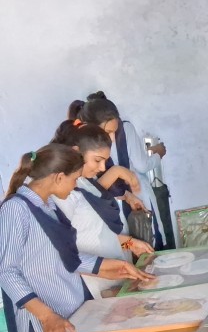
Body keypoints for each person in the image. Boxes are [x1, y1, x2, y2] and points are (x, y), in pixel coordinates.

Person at [0, 144, 153, 332]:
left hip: (75, 303)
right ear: (59, 177)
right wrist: (47, 317)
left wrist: (111, 266)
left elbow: (66, 257)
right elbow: (6, 272)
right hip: (48, 317)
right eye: (74, 179)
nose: (75, 185)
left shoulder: (49, 205)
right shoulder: (16, 209)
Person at [52, 121, 154, 297]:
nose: (102, 168)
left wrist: (131, 244)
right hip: (92, 285)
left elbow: (103, 237)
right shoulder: (63, 194)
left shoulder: (87, 185)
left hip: (115, 278)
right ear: (76, 152)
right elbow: (62, 253)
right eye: (98, 160)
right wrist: (106, 269)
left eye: (105, 161)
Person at [79, 93, 173, 249]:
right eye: (108, 132)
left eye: (114, 131)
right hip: (119, 203)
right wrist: (158, 155)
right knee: (142, 243)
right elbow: (142, 165)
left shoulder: (94, 145)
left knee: (141, 244)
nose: (112, 138)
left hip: (126, 200)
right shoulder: (84, 166)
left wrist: (127, 194)